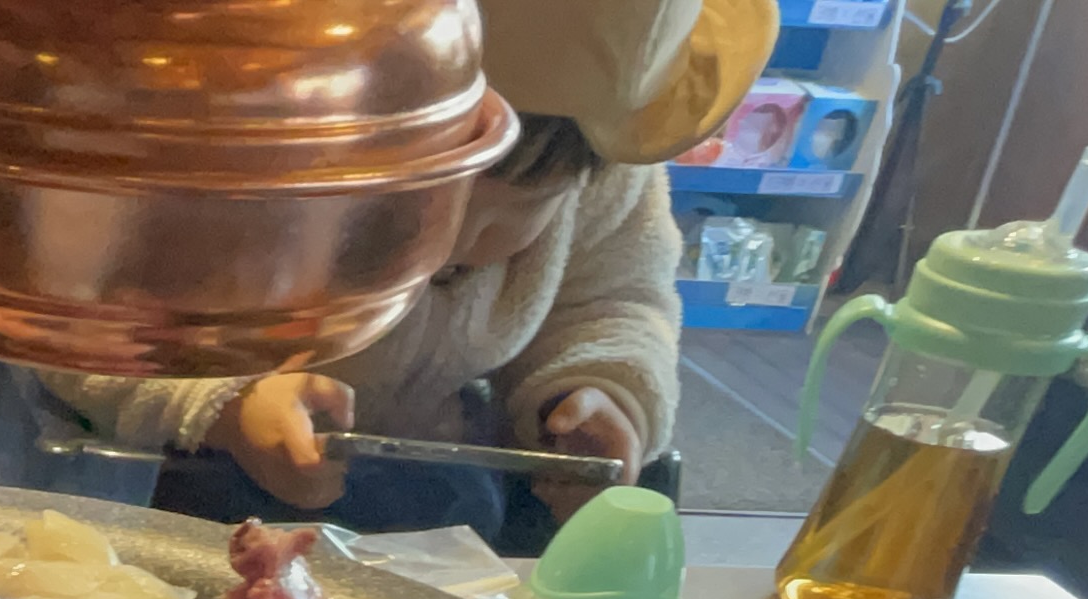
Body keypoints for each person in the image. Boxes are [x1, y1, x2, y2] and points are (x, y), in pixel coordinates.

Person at [37, 0, 771, 542]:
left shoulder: (599, 159)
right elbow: (80, 313)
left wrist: (601, 390)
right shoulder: (225, 139)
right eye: (405, 205)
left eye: (511, 215)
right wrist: (224, 404)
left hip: (425, 504)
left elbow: (612, 299)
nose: (447, 245)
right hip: (161, 491)